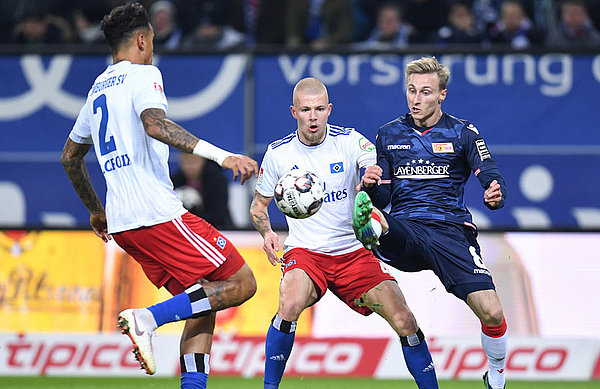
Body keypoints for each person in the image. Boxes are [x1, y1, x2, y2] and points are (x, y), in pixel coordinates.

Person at [60, 4, 258, 388]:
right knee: (241, 283)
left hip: (123, 225)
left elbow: (70, 157)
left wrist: (96, 212)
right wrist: (223, 156)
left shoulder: (97, 89)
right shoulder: (144, 74)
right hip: (156, 214)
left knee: (204, 299)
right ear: (141, 40)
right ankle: (146, 319)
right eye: (150, 41)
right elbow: (155, 125)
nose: (152, 49)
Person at [250, 77, 439, 389]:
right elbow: (259, 206)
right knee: (289, 303)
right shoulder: (278, 154)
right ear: (293, 112)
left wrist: (369, 177)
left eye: (320, 109)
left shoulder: (349, 141)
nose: (313, 116)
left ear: (329, 110)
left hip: (354, 253)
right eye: (306, 110)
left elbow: (371, 163)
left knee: (405, 320)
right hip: (306, 253)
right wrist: (267, 232)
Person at [352, 56, 508, 389]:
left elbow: (490, 175)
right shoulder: (388, 134)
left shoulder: (463, 133)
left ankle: (495, 374)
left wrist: (495, 192)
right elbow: (383, 195)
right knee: (378, 216)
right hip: (406, 228)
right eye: (411, 91)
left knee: (492, 312)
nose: (416, 99)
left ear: (442, 95)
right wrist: (370, 185)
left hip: (451, 232)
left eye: (425, 92)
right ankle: (370, 231)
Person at [171, 152, 233, 229]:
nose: (189, 167)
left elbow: (219, 213)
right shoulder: (175, 181)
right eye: (185, 162)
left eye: (193, 162)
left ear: (202, 160)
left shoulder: (216, 179)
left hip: (218, 227)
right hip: (186, 228)